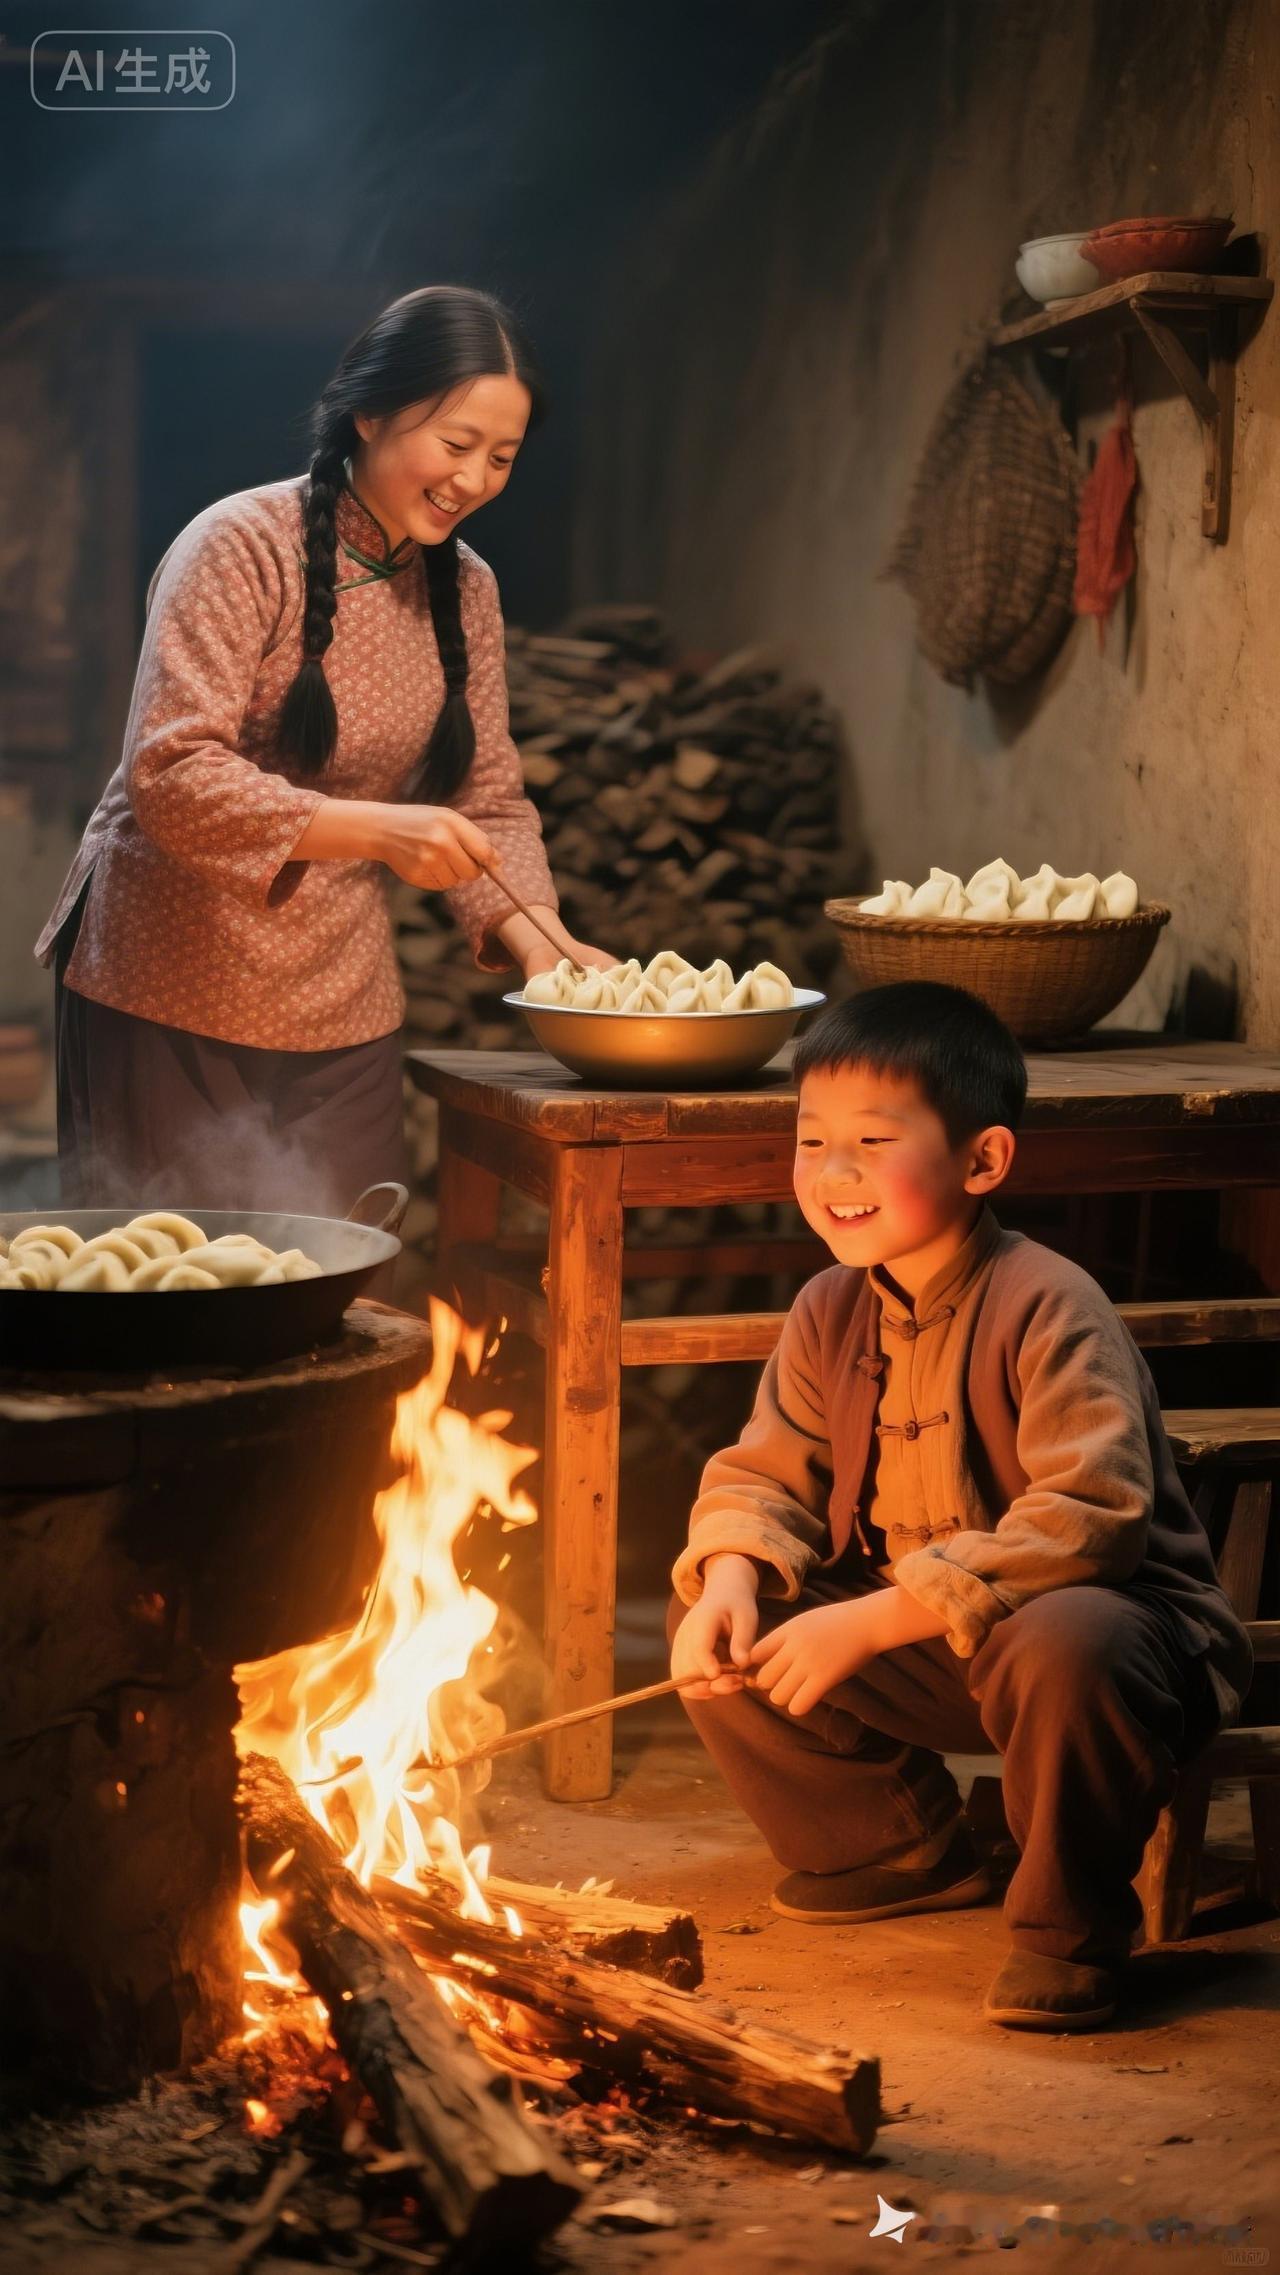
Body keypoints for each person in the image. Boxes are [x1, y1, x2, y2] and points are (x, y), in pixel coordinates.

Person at [669, 982, 1252, 2030]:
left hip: (1108, 1653)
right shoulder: (826, 1308)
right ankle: (901, 1846)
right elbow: (765, 1478)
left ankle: (1068, 1931)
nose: (831, 1174)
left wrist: (873, 1618)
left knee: (1066, 1637)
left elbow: (1091, 1515)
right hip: (934, 1652)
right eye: (810, 1141)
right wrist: (730, 1573)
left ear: (981, 1160)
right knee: (719, 1619)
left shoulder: (1048, 1301)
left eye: (871, 1142)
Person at [37, 285, 611, 1213]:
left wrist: (544, 945)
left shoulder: (468, 588)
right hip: (168, 971)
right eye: (456, 444)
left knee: (351, 1264)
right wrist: (379, 830)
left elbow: (486, 797)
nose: (475, 479)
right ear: (370, 413)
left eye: (502, 457)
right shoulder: (239, 545)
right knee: (179, 1273)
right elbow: (170, 772)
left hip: (341, 995)